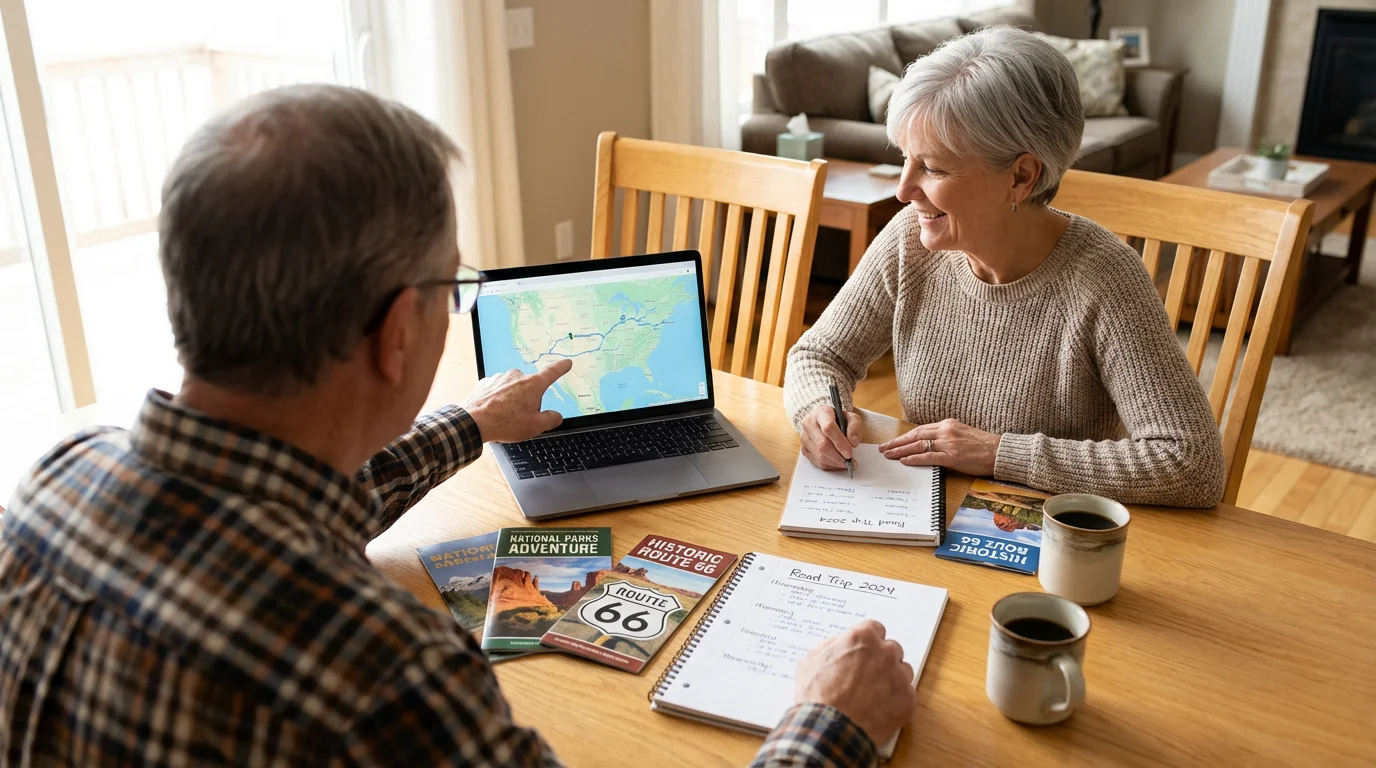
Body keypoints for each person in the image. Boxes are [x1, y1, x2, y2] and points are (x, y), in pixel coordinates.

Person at [0, 85, 914, 766]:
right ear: (401, 332)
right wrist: (830, 728)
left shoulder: (54, 480)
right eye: (450, 285)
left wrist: (471, 423)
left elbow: (287, 506)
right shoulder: (379, 671)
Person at [785, 27, 1226, 508]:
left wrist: (999, 453)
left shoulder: (1104, 279)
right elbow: (819, 355)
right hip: (923, 510)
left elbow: (1192, 463)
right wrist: (819, 410)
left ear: (1020, 177)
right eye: (905, 160)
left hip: (1051, 536)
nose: (903, 190)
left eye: (932, 168)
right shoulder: (909, 239)